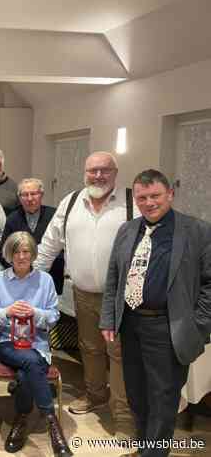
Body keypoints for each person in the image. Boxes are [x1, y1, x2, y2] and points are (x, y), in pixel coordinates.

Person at [100, 169, 211, 457]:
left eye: (155, 196)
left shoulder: (197, 231)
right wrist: (109, 319)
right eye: (142, 197)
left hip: (168, 328)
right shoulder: (127, 230)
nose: (149, 203)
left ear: (170, 194)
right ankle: (146, 448)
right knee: (137, 396)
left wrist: (197, 325)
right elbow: (114, 277)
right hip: (131, 325)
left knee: (162, 399)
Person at [34, 151, 137, 436]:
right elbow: (49, 244)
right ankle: (95, 396)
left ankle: (123, 417)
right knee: (89, 347)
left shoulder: (131, 202)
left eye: (105, 170)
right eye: (93, 170)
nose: (98, 176)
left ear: (115, 173)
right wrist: (33, 277)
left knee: (117, 354)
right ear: (85, 172)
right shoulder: (71, 202)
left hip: (120, 297)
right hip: (82, 292)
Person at [0, 232, 72, 457]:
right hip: (7, 343)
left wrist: (35, 313)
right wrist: (8, 311)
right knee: (32, 363)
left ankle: (21, 419)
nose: (21, 256)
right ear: (9, 254)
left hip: (38, 344)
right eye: (16, 251)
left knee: (26, 374)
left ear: (32, 254)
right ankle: (52, 420)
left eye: (26, 251)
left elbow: (54, 316)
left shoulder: (45, 280)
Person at [0, 178, 65, 294]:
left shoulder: (55, 215)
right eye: (24, 195)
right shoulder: (12, 219)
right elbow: (4, 252)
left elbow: (63, 249)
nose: (29, 199)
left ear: (41, 195)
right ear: (19, 198)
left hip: (52, 280)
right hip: (20, 281)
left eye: (33, 194)